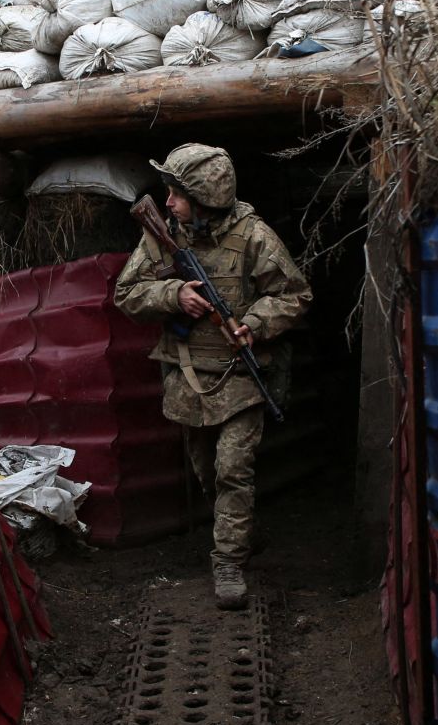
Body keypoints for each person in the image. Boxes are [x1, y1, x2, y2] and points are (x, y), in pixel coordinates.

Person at [114, 144, 312, 609]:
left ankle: (228, 562)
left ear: (204, 198)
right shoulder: (163, 235)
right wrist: (173, 293)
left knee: (232, 470)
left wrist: (255, 324)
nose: (167, 201)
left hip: (242, 374)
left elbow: (294, 294)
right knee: (206, 470)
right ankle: (242, 532)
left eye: (177, 194)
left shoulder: (253, 236)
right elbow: (126, 292)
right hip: (188, 374)